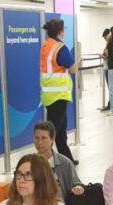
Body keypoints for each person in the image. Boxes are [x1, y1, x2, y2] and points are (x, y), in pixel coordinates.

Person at [40, 19, 78, 165]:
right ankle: (42, 160)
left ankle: (67, 160)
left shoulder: (46, 45)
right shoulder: (60, 48)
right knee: (52, 131)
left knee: (60, 130)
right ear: (61, 31)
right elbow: (73, 68)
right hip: (59, 94)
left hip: (49, 94)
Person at [33, 121, 85, 197]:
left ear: (52, 139)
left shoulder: (65, 163)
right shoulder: (29, 163)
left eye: (44, 138)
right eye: (36, 138)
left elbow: (76, 183)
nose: (39, 142)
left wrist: (78, 188)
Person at [100, 28, 111, 112]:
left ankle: (110, 105)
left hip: (108, 68)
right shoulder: (109, 44)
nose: (105, 39)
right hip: (108, 68)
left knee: (111, 88)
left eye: (105, 37)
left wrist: (102, 56)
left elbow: (108, 57)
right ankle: (110, 104)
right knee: (111, 87)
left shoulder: (109, 44)